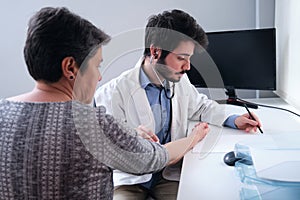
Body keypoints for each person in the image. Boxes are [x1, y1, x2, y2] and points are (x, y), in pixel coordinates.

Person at [0, 7, 210, 200]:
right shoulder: (94, 126)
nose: (99, 77)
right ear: (70, 68)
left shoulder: (2, 112)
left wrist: (132, 134)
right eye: (96, 66)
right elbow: (157, 157)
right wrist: (195, 137)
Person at [94, 9, 262, 200]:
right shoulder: (112, 93)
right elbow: (113, 152)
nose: (188, 67)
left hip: (168, 175)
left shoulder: (178, 80)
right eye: (181, 58)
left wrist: (234, 119)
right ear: (155, 51)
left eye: (189, 58)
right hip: (131, 180)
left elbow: (200, 106)